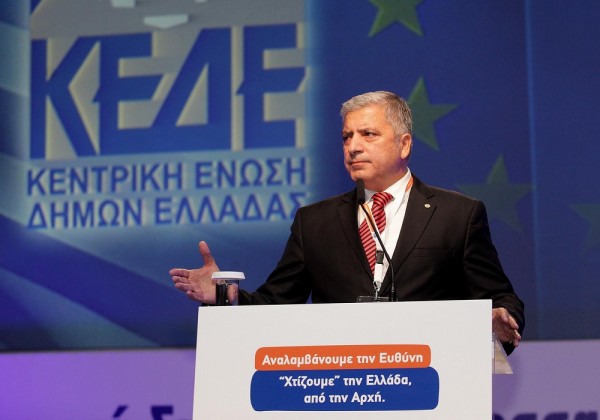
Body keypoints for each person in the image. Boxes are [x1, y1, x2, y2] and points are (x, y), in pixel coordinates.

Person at [170, 91, 524, 353]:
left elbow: (501, 297)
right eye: (346, 137)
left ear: (404, 145)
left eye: (368, 134)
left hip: (429, 381)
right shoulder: (315, 222)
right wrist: (224, 297)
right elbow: (276, 303)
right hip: (342, 386)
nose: (353, 146)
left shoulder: (457, 215)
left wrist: (500, 321)